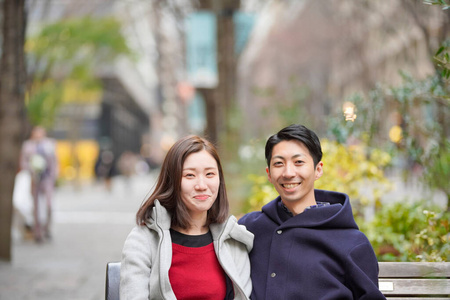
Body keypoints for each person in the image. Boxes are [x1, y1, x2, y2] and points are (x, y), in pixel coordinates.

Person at [238, 124, 385, 299]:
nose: (288, 173)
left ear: (318, 169)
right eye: (279, 163)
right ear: (269, 174)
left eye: (298, 162)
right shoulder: (249, 229)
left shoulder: (351, 242)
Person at [120, 135, 253, 300]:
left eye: (210, 174)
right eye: (190, 175)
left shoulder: (232, 240)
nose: (202, 185)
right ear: (172, 181)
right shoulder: (143, 240)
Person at [20, 126, 58, 242]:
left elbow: (55, 161)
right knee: (36, 207)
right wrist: (31, 170)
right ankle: (38, 233)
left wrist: (54, 176)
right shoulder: (27, 145)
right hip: (34, 179)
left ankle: (47, 228)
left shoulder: (50, 144)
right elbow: (23, 162)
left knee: (48, 204)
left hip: (47, 178)